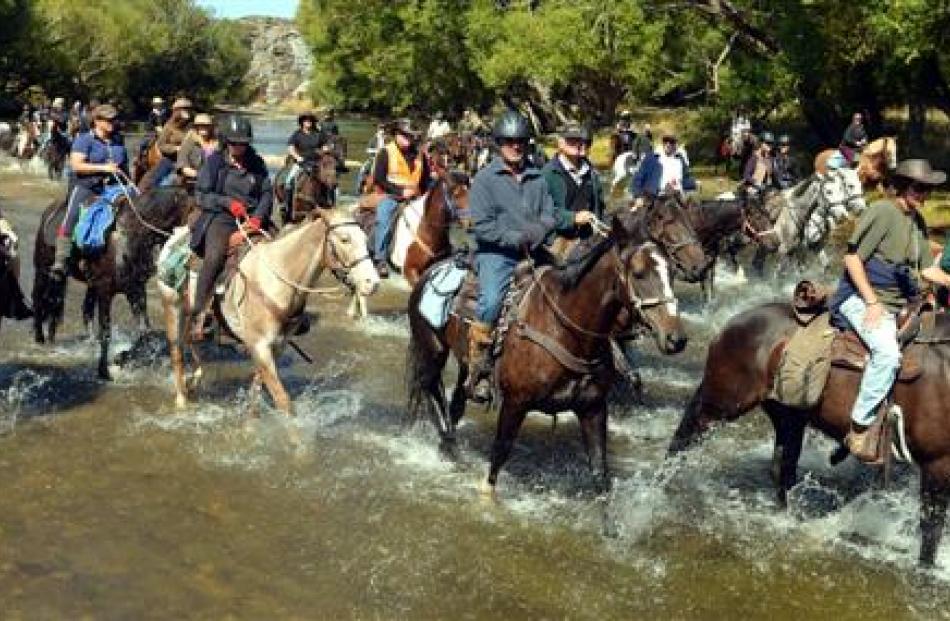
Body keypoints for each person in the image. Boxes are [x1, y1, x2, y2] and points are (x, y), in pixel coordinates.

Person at [829, 159, 950, 461]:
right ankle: (859, 429)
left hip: (898, 302)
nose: (924, 195)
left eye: (928, 190)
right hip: (861, 297)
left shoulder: (916, 221)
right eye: (919, 188)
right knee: (887, 354)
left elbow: (926, 270)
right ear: (902, 187)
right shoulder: (882, 212)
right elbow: (852, 259)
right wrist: (871, 302)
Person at [466, 110, 562, 402]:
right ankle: (479, 369)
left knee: (571, 283)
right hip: (497, 254)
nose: (515, 146)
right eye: (509, 141)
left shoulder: (538, 178)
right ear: (499, 143)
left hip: (534, 251)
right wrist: (515, 238)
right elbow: (482, 227)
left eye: (520, 141)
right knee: (492, 300)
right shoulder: (484, 180)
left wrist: (539, 231)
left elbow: (550, 213)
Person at [188, 115, 272, 340]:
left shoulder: (257, 162)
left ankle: (287, 312)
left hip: (254, 217)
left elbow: (266, 193)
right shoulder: (214, 162)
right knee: (214, 257)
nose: (240, 147)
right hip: (221, 218)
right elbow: (201, 195)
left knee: (281, 250)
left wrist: (258, 218)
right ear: (226, 141)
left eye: (244, 143)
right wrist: (227, 202)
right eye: (235, 143)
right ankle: (199, 313)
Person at [52, 104, 128, 274]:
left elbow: (124, 166)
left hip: (115, 187)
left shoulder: (118, 140)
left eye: (114, 119)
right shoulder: (84, 140)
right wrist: (104, 168)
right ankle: (61, 259)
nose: (112, 123)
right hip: (88, 186)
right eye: (108, 120)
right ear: (97, 121)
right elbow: (77, 165)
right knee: (71, 215)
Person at [369, 118, 430, 277]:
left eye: (410, 136)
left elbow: (425, 180)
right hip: (391, 196)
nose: (408, 139)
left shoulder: (420, 155)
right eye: (405, 135)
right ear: (396, 135)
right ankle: (380, 258)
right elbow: (379, 178)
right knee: (383, 218)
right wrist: (400, 192)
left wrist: (425, 195)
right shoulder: (386, 152)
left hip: (416, 198)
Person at [541, 122, 601, 240]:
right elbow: (541, 212)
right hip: (557, 243)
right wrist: (573, 218)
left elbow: (600, 207)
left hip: (589, 241)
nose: (577, 144)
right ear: (560, 143)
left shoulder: (592, 172)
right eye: (571, 140)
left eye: (579, 140)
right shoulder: (547, 174)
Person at [631, 133, 696, 207]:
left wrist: (694, 183)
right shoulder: (652, 158)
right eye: (665, 142)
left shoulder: (680, 160)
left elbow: (685, 180)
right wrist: (638, 196)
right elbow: (637, 178)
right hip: (656, 197)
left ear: (675, 145)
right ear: (663, 143)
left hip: (677, 198)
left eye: (671, 142)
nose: (668, 144)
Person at [284, 112, 327, 205]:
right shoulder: (297, 134)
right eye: (306, 120)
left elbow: (324, 146)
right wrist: (297, 157)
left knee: (329, 180)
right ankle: (286, 204)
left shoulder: (319, 134)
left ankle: (330, 202)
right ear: (302, 122)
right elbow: (290, 148)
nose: (308, 122)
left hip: (317, 163)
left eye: (310, 120)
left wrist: (324, 151)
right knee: (289, 180)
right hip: (301, 163)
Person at [153, 98, 194, 186]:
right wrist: (176, 148)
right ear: (176, 111)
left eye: (187, 109)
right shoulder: (169, 126)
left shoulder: (193, 126)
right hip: (171, 159)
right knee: (157, 180)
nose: (185, 111)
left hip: (188, 160)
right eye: (182, 109)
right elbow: (161, 145)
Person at [176, 113, 219, 190]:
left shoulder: (217, 142)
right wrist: (200, 175)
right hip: (192, 181)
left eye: (206, 126)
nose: (203, 128)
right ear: (196, 127)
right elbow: (183, 166)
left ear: (211, 127)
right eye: (201, 125)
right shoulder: (189, 142)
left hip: (215, 180)